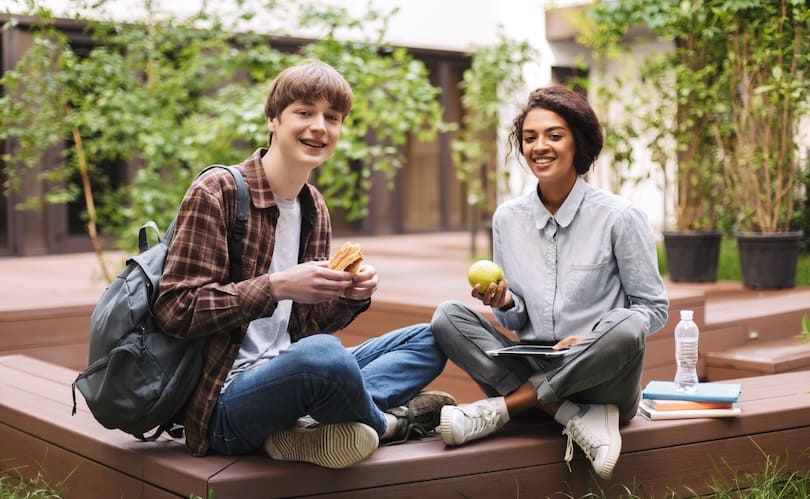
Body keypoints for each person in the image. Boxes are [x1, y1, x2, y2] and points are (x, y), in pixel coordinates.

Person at [154, 60, 454, 469]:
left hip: (290, 371)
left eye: (332, 118)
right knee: (324, 359)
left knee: (431, 337)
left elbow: (308, 328)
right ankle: (387, 425)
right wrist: (276, 286)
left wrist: (349, 296)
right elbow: (175, 309)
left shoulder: (313, 207)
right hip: (224, 404)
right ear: (273, 119)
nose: (319, 127)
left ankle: (305, 425)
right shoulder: (218, 191)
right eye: (304, 112)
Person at [431, 85, 669, 480]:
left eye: (554, 135)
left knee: (627, 323)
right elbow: (513, 323)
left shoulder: (620, 217)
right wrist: (505, 302)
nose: (540, 146)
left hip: (604, 382)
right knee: (447, 317)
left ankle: (508, 407)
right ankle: (564, 411)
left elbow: (654, 310)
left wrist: (591, 338)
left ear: (578, 142)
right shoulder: (508, 218)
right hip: (532, 362)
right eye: (529, 137)